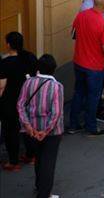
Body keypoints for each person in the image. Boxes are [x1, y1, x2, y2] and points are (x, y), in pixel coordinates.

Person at [17, 54, 64, 198]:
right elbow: (56, 113)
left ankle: (39, 186)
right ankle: (44, 194)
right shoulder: (56, 86)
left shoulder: (28, 83)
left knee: (39, 159)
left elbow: (20, 105)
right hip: (51, 132)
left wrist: (28, 126)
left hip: (31, 130)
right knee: (48, 162)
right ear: (53, 69)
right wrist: (46, 131)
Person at [68, 0, 104, 136]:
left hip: (79, 61)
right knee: (93, 96)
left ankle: (73, 124)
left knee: (79, 93)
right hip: (95, 66)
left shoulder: (82, 15)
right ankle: (91, 126)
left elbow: (73, 33)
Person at [0, 31, 37, 170]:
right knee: (28, 127)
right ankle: (31, 156)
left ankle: (13, 162)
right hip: (28, 98)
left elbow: (1, 86)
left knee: (11, 132)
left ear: (9, 44)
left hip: (10, 102)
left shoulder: (5, 63)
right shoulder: (29, 57)